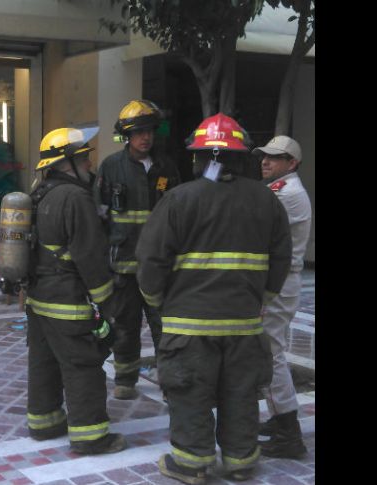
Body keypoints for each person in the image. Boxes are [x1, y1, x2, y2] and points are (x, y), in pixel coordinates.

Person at [135, 113, 291, 484]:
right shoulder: (267, 201)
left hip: (188, 326)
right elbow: (281, 260)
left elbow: (151, 260)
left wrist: (155, 300)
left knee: (190, 392)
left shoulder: (178, 200)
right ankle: (240, 462)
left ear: (198, 158)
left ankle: (191, 465)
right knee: (240, 392)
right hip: (244, 323)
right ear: (242, 158)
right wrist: (262, 297)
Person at [25, 126, 127, 455]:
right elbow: (90, 256)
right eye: (83, 158)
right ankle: (90, 436)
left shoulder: (39, 193)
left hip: (38, 298)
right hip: (67, 299)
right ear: (66, 163)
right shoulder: (75, 197)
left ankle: (45, 422)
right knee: (82, 364)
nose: (88, 164)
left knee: (44, 362)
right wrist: (105, 300)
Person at [93, 99, 180, 400]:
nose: (146, 137)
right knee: (125, 326)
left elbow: (178, 214)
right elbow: (99, 215)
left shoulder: (166, 167)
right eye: (139, 132)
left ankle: (169, 382)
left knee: (163, 326)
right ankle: (126, 379)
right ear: (126, 136)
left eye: (150, 131)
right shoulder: (111, 167)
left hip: (159, 265)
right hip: (124, 266)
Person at [252, 135, 311, 459]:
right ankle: (279, 420)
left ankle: (288, 433)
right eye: (264, 156)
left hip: (279, 285)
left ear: (292, 164)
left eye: (274, 157)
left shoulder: (285, 194)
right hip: (280, 283)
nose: (265, 161)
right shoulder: (282, 190)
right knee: (270, 352)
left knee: (270, 354)